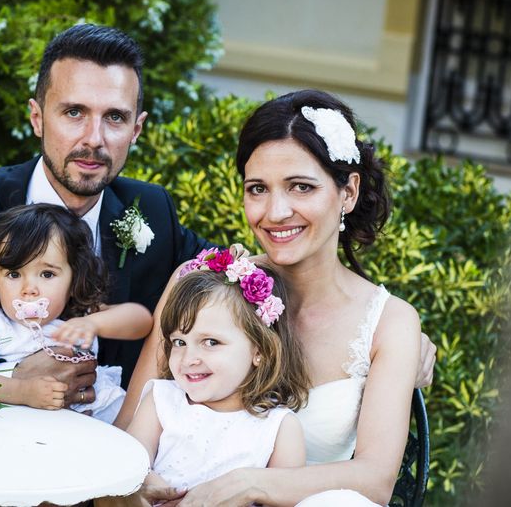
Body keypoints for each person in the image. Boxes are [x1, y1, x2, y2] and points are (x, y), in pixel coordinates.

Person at [119, 90, 422, 506]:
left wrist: (250, 484)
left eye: (301, 187)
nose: (275, 212)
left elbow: (375, 479)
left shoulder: (389, 324)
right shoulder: (199, 282)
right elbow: (127, 431)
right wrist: (133, 488)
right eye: (257, 188)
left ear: (348, 192)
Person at [0, 24, 211, 405]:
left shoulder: (152, 210)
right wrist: (14, 382)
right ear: (37, 118)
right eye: (74, 112)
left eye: (115, 118)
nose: (94, 138)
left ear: (136, 129)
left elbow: (226, 270)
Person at [123, 248, 309, 501]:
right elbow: (128, 461)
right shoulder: (161, 401)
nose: (189, 359)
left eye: (210, 342)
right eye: (179, 342)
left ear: (260, 350)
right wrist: (144, 480)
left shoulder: (279, 429)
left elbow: (287, 499)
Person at [0, 203, 152, 423]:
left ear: (75, 278)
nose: (29, 289)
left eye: (46, 274)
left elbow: (142, 321)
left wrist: (95, 323)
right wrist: (21, 391)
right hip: (26, 421)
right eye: (14, 274)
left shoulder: (78, 315)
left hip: (97, 413)